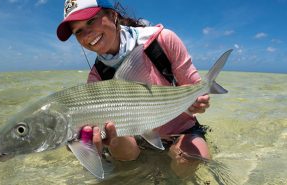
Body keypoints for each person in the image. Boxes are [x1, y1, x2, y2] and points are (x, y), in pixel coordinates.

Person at [56, 0, 211, 178]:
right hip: (139, 141)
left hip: (181, 130)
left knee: (189, 161)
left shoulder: (163, 40)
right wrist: (92, 145)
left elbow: (194, 86)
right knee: (127, 169)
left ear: (113, 15)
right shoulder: (96, 77)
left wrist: (197, 101)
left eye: (90, 21)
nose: (87, 34)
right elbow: (125, 150)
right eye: (78, 31)